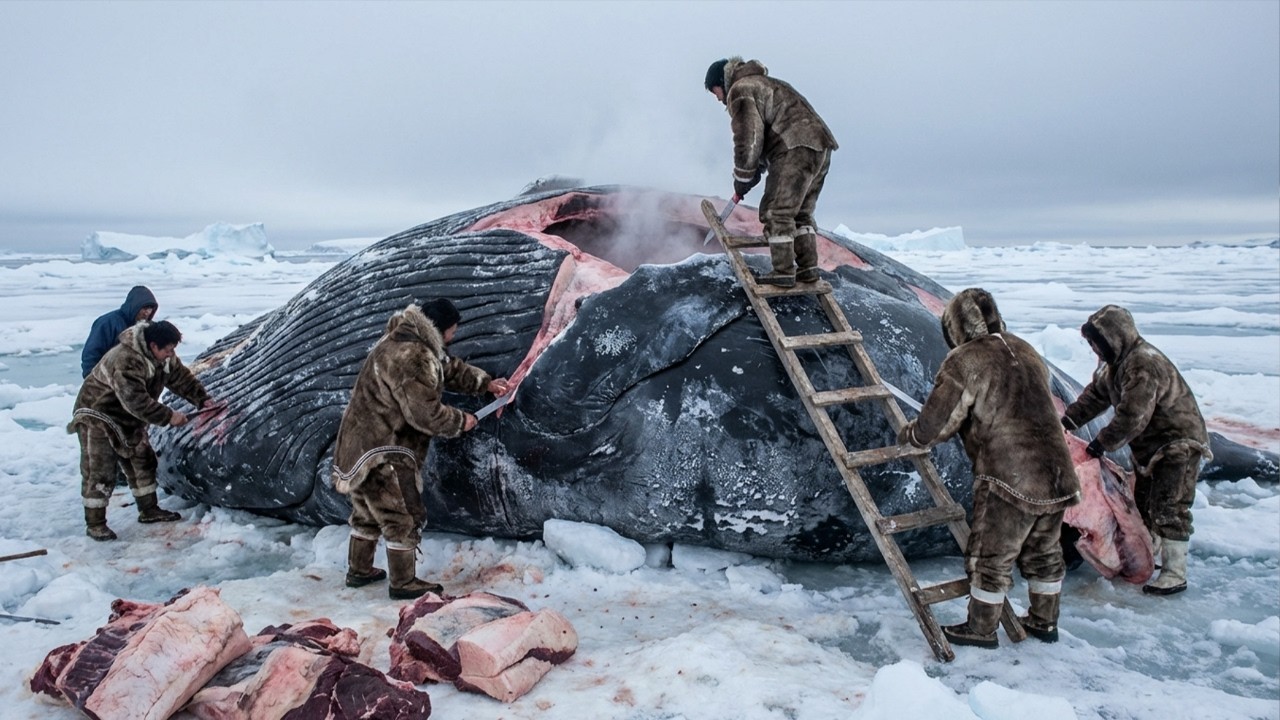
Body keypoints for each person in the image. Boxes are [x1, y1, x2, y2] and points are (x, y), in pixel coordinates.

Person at [899, 289, 1080, 648]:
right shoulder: (1027, 351)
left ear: (955, 325)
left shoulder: (965, 360)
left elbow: (941, 420)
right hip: (1058, 471)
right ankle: (1045, 621)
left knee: (990, 556)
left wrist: (915, 436)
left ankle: (981, 629)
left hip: (1010, 477)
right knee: (1045, 552)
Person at [331, 298, 512, 600]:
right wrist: (460, 421)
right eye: (452, 332)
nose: (454, 337)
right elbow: (423, 413)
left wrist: (486, 384)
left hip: (358, 445)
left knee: (366, 511)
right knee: (402, 514)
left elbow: (447, 369)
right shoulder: (411, 356)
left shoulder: (407, 341)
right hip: (384, 451)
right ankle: (403, 583)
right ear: (438, 330)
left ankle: (359, 570)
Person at [1061, 305, 1210, 596]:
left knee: (1170, 505)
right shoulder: (1113, 365)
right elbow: (1095, 398)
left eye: (1097, 342)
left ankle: (1174, 572)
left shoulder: (1143, 363)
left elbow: (1134, 415)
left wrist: (1101, 444)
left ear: (1115, 338)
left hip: (1177, 443)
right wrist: (1067, 421)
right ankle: (1148, 558)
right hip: (1148, 447)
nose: (1094, 348)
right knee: (1143, 503)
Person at [69, 320, 211, 541]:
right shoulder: (125, 360)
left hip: (129, 417)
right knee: (100, 470)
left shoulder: (164, 359)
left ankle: (149, 510)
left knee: (143, 462)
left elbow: (181, 378)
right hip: (98, 415)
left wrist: (202, 400)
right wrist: (169, 416)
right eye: (167, 349)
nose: (171, 354)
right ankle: (95, 523)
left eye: (173, 349)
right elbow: (135, 400)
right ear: (153, 346)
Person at [704, 57, 838, 288]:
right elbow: (769, 137)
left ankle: (783, 272)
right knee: (800, 214)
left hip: (793, 148)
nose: (717, 97)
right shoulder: (766, 83)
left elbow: (749, 139)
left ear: (720, 82)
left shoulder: (741, 90)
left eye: (714, 90)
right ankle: (808, 270)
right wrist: (754, 174)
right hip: (820, 148)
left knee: (777, 212)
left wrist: (742, 177)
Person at [81, 286, 158, 378]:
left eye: (150, 308)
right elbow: (91, 355)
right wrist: (94, 382)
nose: (147, 312)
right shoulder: (107, 323)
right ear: (134, 306)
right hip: (107, 379)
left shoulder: (148, 328)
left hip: (135, 380)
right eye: (144, 308)